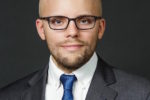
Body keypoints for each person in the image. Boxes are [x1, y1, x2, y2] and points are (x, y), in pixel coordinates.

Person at [0, 0, 150, 100]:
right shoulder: (8, 96)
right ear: (41, 29)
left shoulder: (143, 94)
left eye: (84, 20)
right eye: (58, 21)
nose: (72, 32)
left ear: (101, 28)